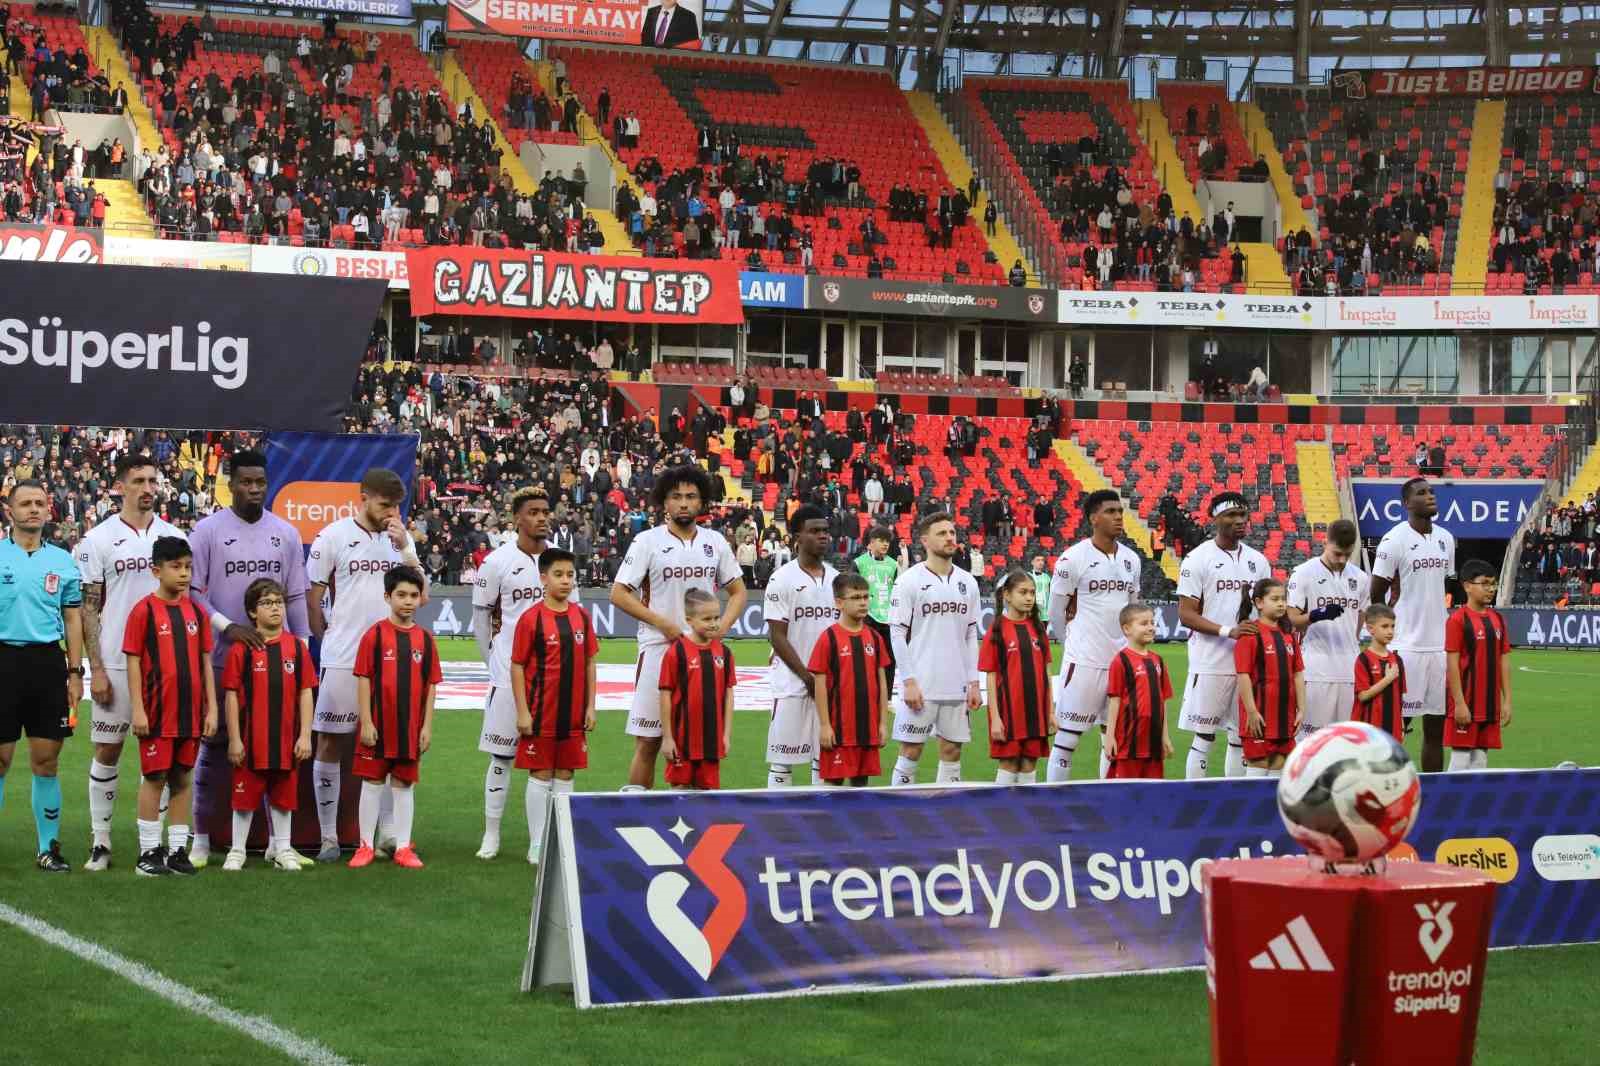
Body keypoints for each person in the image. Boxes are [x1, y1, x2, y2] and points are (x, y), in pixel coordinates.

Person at [186, 449, 310, 869]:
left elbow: (294, 594)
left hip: (278, 664)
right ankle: (200, 837)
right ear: (230, 483)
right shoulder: (207, 531)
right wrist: (227, 627)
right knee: (216, 744)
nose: (254, 489)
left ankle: (280, 844)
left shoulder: (286, 533)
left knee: (278, 747)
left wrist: (303, 644)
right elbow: (194, 592)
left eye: (260, 482)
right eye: (246, 482)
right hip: (222, 658)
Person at [306, 468, 424, 861]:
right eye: (384, 504)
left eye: (395, 506)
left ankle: (388, 835)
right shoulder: (334, 536)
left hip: (393, 659)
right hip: (343, 656)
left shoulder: (399, 542)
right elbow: (314, 594)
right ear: (364, 497)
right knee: (330, 740)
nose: (390, 512)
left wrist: (407, 547)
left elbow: (420, 597)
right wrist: (324, 640)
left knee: (392, 744)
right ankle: (327, 837)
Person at [75, 455, 184, 871]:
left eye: (152, 480)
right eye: (138, 480)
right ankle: (100, 842)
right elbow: (88, 608)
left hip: (165, 665)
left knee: (160, 756)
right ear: (121, 486)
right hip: (117, 663)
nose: (147, 488)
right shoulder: (98, 540)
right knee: (107, 750)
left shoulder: (173, 535)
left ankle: (151, 846)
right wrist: (96, 668)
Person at [611, 465, 746, 791]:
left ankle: (690, 825)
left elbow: (739, 591)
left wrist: (721, 629)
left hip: (702, 657)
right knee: (649, 743)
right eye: (676, 497)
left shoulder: (715, 541)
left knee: (699, 745)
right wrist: (664, 624)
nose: (683, 503)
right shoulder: (647, 541)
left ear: (701, 502)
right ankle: (639, 823)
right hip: (659, 650)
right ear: (664, 503)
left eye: (691, 497)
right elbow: (618, 593)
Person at [0, 479, 84, 872]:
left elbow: (72, 617)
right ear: (10, 512)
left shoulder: (64, 561)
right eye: (25, 503)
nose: (33, 509)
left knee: (46, 761)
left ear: (49, 510)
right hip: (3, 661)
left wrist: (75, 672)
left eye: (39, 503)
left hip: (49, 664)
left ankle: (48, 848)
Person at [123, 536, 217, 876]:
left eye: (188, 567)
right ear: (156, 570)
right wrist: (138, 708)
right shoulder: (143, 611)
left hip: (191, 712)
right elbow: (133, 662)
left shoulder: (196, 612)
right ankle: (148, 853)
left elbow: (205, 661)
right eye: (176, 567)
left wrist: (212, 709)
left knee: (182, 778)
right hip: (158, 712)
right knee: (154, 777)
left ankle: (178, 851)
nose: (184, 574)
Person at [471, 485, 550, 861]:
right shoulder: (497, 562)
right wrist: (495, 664)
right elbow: (481, 619)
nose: (542, 518)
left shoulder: (557, 561)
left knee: (545, 762)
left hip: (549, 680)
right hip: (507, 677)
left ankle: (538, 842)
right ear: (517, 518)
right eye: (533, 512)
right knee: (501, 758)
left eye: (545, 511)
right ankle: (491, 835)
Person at [220, 578, 315, 872]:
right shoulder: (242, 649)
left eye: (279, 602)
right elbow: (232, 695)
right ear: (251, 612)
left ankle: (283, 849)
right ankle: (237, 851)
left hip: (286, 740)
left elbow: (305, 692)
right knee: (244, 798)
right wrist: (235, 739)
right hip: (251, 740)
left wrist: (305, 736)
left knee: (284, 797)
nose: (275, 608)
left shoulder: (296, 648)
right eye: (267, 603)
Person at [1046, 490, 1141, 782]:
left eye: (1120, 512)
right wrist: (1072, 645)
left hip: (1120, 663)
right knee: (1067, 739)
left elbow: (1132, 611)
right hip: (1084, 661)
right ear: (1093, 518)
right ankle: (1053, 806)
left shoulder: (1131, 559)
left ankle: (1107, 801)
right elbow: (1055, 612)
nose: (1118, 518)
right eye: (1111, 512)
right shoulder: (1072, 558)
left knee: (1112, 737)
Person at [1177, 492, 1272, 779]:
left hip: (1248, 664)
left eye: (1243, 515)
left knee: (1240, 735)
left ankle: (1233, 799)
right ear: (1214, 519)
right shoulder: (1197, 559)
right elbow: (1186, 614)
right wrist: (1228, 631)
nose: (1239, 521)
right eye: (1231, 515)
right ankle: (1195, 799)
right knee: (1204, 737)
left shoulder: (1258, 561)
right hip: (1210, 661)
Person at [510, 549, 597, 859]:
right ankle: (537, 842)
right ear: (543, 578)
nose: (565, 581)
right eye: (559, 575)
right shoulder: (531, 618)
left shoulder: (581, 617)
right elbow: (517, 665)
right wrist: (522, 711)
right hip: (541, 711)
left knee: (565, 774)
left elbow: (589, 662)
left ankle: (561, 841)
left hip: (573, 714)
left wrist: (590, 705)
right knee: (541, 774)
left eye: (570, 575)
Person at [349, 567, 438, 869]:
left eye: (414, 595)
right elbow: (363, 679)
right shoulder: (374, 635)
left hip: (409, 728)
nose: (408, 601)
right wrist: (367, 720)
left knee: (404, 785)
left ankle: (403, 847)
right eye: (401, 595)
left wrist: (426, 726)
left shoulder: (425, 640)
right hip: (378, 725)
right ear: (388, 597)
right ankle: (365, 845)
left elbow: (430, 687)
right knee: (372, 783)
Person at [1369, 478, 1457, 773]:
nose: (1430, 496)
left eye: (1431, 492)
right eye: (1422, 493)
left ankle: (1433, 793)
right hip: (1406, 647)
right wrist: (1387, 633)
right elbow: (1376, 592)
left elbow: (1445, 585)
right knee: (1396, 729)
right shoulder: (1394, 540)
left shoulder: (1446, 538)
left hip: (1439, 648)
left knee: (1435, 731)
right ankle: (1384, 790)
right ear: (1407, 504)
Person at [888, 511, 981, 785]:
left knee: (952, 751)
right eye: (942, 533)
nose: (950, 538)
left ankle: (946, 816)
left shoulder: (968, 582)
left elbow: (970, 633)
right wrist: (908, 681)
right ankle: (900, 814)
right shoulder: (908, 581)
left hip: (956, 685)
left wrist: (973, 681)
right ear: (925, 541)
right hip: (922, 683)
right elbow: (897, 633)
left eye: (952, 532)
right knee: (910, 751)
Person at [762, 505, 838, 788]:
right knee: (783, 761)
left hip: (829, 684)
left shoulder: (835, 579)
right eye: (814, 531)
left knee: (826, 757)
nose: (822, 536)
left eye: (825, 531)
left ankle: (821, 825)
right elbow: (777, 636)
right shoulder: (781, 579)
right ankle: (778, 824)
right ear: (797, 537)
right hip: (792, 683)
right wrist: (807, 676)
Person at [1286, 518, 1369, 741]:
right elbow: (1291, 619)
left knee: (1346, 740)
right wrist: (1317, 615)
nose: (1342, 560)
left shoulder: (1360, 578)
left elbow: (1359, 618)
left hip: (1350, 669)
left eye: (1347, 554)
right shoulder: (1304, 573)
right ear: (1325, 542)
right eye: (1336, 554)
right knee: (1310, 739)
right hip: (1316, 668)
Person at [809, 573, 889, 787]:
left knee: (861, 788)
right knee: (832, 787)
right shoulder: (828, 638)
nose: (863, 602)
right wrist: (825, 725)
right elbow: (820, 686)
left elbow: (881, 684)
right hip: (840, 731)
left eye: (866, 596)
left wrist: (882, 723)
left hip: (867, 730)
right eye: (855, 598)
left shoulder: (875, 637)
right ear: (839, 603)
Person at [658, 588, 736, 790]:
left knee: (708, 798)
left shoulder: (724, 653)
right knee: (679, 793)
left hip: (711, 741)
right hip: (682, 740)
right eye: (707, 619)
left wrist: (726, 735)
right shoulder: (676, 652)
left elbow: (728, 695)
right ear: (689, 620)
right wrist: (667, 738)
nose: (714, 623)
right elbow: (665, 695)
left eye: (716, 617)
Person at [980, 570, 1052, 785]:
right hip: (1008, 712)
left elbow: (1046, 675)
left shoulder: (1039, 629)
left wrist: (1051, 712)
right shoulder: (996, 629)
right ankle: (1002, 814)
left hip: (1036, 712)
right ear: (1007, 595)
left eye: (1032, 592)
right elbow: (991, 678)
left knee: (1030, 762)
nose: (1029, 597)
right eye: (1023, 592)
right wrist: (995, 718)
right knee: (1009, 763)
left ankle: (1027, 815)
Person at [1234, 578, 1305, 777]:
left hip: (1285, 719)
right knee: (1255, 782)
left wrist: (1302, 709)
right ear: (1259, 603)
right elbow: (1243, 676)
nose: (1281, 603)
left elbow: (1298, 674)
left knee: (1278, 782)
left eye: (1283, 599)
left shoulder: (1288, 635)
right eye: (1275, 599)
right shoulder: (1250, 634)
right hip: (1260, 719)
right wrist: (1252, 712)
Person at [1444, 560, 1511, 771]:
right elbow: (1452, 665)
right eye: (1484, 583)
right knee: (1461, 759)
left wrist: (1507, 700)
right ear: (1467, 586)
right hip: (1466, 701)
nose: (1490, 589)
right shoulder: (1457, 620)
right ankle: (1450, 802)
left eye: (1493, 584)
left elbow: (1503, 661)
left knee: (1481, 759)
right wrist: (1459, 703)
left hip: (1489, 703)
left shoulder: (1497, 619)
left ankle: (1474, 804)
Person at [1104, 603, 1173, 779]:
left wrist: (1165, 737)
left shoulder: (1158, 661)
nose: (1150, 627)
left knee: (1153, 795)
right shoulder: (1121, 661)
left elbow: (1163, 703)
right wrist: (1110, 737)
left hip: (1153, 744)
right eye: (1143, 623)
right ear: (1127, 629)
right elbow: (1115, 701)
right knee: (1124, 795)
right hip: (1129, 744)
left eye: (1152, 622)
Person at [853, 527, 899, 691]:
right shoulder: (859, 563)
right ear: (871, 543)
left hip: (888, 617)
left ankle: (886, 696)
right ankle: (866, 690)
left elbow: (897, 590)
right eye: (881, 540)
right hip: (867, 617)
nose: (885, 544)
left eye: (887, 541)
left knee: (890, 658)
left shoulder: (893, 565)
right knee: (866, 656)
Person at [1353, 604, 1405, 741]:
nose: (1390, 631)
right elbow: (1363, 696)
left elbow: (1399, 698)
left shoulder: (1397, 660)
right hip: (1369, 732)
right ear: (1370, 629)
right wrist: (1388, 679)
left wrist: (1402, 725)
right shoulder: (1363, 659)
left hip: (1393, 729)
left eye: (1392, 626)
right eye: (1385, 626)